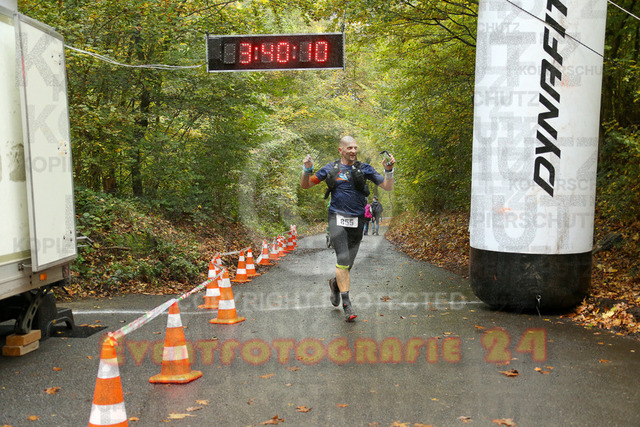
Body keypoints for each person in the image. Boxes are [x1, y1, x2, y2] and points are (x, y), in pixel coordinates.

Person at [301, 136, 396, 321]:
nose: (353, 151)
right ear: (341, 150)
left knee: (348, 263)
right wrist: (307, 169)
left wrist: (388, 171)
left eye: (355, 148)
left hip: (357, 220)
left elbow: (387, 187)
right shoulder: (331, 168)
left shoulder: (364, 168)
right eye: (349, 148)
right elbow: (306, 185)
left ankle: (335, 285)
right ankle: (347, 305)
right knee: (343, 259)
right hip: (336, 218)